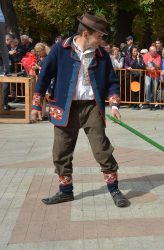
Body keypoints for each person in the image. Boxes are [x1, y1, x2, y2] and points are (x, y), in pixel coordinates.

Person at [30, 13, 129, 208]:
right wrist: (35, 105)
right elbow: (43, 77)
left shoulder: (102, 55)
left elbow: (112, 82)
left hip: (92, 107)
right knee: (61, 151)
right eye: (99, 36)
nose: (102, 41)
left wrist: (115, 104)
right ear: (86, 34)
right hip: (64, 107)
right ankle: (65, 191)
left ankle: (114, 190)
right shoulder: (61, 50)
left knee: (102, 149)